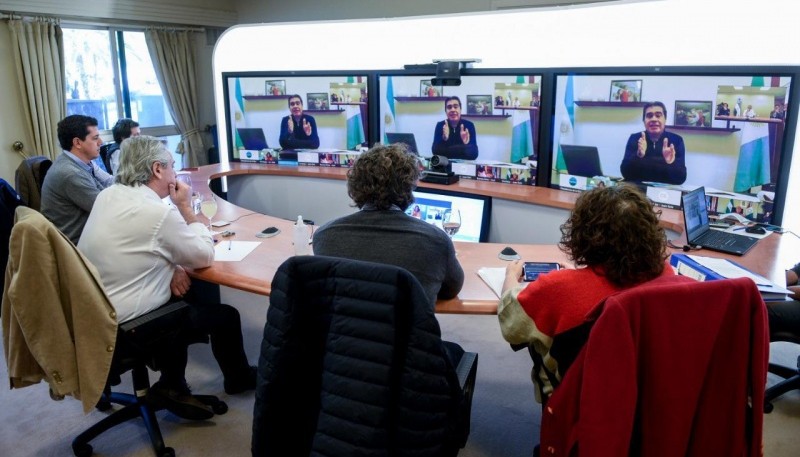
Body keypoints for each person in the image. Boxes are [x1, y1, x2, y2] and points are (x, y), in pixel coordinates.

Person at [78, 135, 256, 418]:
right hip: (127, 324)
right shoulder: (157, 213)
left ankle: (173, 384)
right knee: (224, 315)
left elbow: (136, 246)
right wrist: (186, 208)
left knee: (186, 293)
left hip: (94, 312)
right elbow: (203, 256)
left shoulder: (108, 195)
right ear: (158, 170)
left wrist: (172, 265)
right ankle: (237, 379)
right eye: (172, 166)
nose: (175, 173)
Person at [497, 185, 674, 403]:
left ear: (583, 235)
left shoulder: (556, 289)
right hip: (644, 395)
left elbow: (511, 325)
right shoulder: (668, 277)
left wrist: (510, 276)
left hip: (578, 403)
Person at [313, 143, 463, 306]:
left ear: (355, 184)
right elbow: (450, 290)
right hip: (406, 331)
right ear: (409, 188)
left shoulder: (324, 236)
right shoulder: (437, 241)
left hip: (343, 330)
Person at [40, 114, 114, 245]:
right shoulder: (70, 173)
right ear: (77, 143)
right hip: (76, 245)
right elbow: (107, 208)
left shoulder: (81, 163)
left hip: (88, 233)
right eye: (95, 138)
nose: (101, 142)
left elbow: (106, 186)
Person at [620, 101, 687, 185]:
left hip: (665, 193)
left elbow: (681, 178)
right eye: (649, 116)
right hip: (639, 191)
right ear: (644, 121)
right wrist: (638, 156)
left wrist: (671, 163)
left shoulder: (676, 141)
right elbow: (625, 173)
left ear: (665, 119)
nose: (654, 119)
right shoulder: (635, 138)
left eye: (658, 115)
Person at [431, 96, 479, 160]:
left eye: (456, 107)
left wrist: (466, 143)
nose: (453, 110)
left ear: (460, 109)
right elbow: (435, 152)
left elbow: (474, 154)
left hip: (464, 167)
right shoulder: (440, 125)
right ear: (446, 111)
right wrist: (444, 139)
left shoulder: (469, 125)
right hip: (445, 166)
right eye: (449, 107)